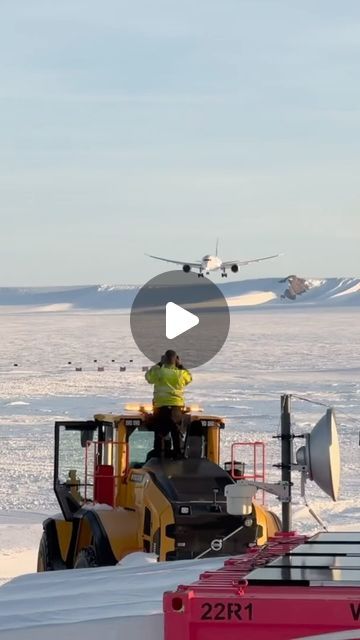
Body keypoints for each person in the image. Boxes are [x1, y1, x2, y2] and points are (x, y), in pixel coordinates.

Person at [145, 350, 192, 458]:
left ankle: (159, 456)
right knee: (176, 432)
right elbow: (189, 378)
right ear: (176, 359)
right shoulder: (181, 374)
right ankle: (179, 455)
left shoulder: (159, 372)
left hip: (161, 408)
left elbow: (148, 377)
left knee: (160, 433)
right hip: (176, 408)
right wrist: (180, 365)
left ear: (164, 359)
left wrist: (159, 364)